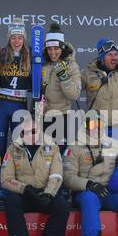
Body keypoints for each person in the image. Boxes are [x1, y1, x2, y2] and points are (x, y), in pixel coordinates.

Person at [0, 116, 69, 236]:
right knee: (11, 201)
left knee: (62, 205)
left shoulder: (53, 147)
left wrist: (49, 194)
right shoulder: (13, 149)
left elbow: (57, 174)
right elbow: (5, 179)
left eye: (34, 131)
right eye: (26, 132)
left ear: (40, 131)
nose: (31, 135)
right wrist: (24, 189)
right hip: (24, 193)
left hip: (45, 192)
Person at [0, 18, 31, 199]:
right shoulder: (0, 55)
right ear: (8, 39)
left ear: (24, 39)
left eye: (20, 38)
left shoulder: (30, 55)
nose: (16, 41)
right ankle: (0, 186)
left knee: (19, 146)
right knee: (0, 146)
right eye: (13, 38)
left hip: (20, 104)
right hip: (2, 104)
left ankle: (18, 185)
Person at [81, 38, 118, 149]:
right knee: (98, 162)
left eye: (115, 54)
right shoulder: (87, 73)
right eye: (110, 55)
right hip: (96, 126)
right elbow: (72, 91)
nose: (114, 57)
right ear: (102, 57)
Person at [41, 23, 81, 151]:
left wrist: (64, 77)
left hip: (62, 118)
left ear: (62, 48)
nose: (53, 52)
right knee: (44, 158)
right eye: (49, 49)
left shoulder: (71, 66)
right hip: (42, 116)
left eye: (56, 49)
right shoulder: (43, 64)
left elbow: (74, 94)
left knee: (60, 158)